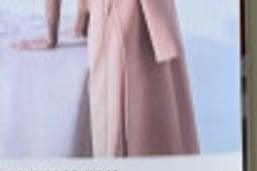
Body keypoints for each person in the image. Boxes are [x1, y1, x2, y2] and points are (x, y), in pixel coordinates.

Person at [14, 0, 199, 157]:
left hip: (117, 18)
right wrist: (82, 22)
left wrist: (51, 35)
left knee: (119, 132)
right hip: (158, 15)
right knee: (164, 111)